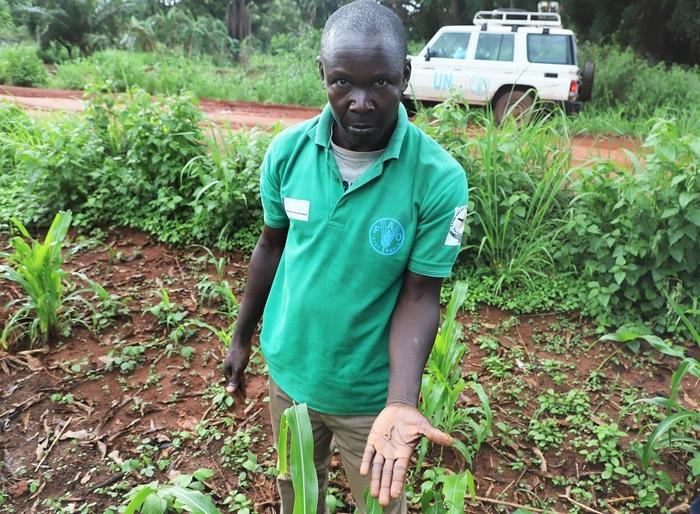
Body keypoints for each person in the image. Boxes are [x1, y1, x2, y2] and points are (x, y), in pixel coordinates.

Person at [223, 1, 468, 512]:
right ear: (322, 74)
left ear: (404, 75)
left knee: (380, 504)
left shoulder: (438, 178)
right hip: (292, 378)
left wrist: (401, 402)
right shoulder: (287, 153)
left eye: (380, 83)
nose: (360, 102)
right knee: (298, 496)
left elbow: (421, 294)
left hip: (371, 399)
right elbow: (271, 246)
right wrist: (241, 338)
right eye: (342, 83)